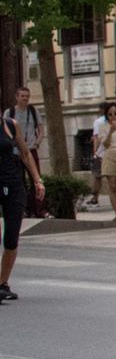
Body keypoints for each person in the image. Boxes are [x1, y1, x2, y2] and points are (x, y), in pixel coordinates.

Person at [1, 108, 47, 301]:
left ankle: (2, 284)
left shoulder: (11, 125)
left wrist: (37, 180)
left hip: (13, 184)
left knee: (11, 237)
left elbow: (26, 154)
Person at [3, 88, 43, 217]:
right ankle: (23, 208)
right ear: (17, 97)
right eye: (22, 96)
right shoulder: (10, 113)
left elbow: (41, 129)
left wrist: (38, 141)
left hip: (30, 149)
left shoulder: (33, 111)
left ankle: (37, 209)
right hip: (14, 153)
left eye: (27, 96)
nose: (25, 98)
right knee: (19, 181)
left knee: (34, 180)